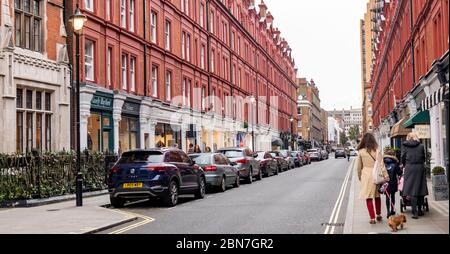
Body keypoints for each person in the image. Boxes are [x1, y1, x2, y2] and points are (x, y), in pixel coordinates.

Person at [356, 133, 388, 224]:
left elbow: (359, 167)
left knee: (368, 197)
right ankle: (378, 214)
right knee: (377, 196)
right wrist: (385, 176)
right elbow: (382, 165)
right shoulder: (377, 151)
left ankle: (372, 218)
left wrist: (359, 176)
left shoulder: (361, 152)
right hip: (376, 175)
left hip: (366, 176)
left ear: (363, 141)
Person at [401, 132, 429, 219]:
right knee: (420, 188)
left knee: (412, 190)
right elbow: (424, 158)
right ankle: (420, 210)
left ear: (408, 138)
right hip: (420, 168)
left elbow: (402, 158)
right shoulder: (421, 146)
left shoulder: (405, 146)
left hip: (410, 168)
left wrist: (405, 165)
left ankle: (414, 212)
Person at [382, 148, 403, 218]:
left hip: (385, 182)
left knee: (387, 197)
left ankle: (388, 211)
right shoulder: (395, 163)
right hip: (393, 182)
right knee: (393, 196)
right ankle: (392, 210)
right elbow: (399, 172)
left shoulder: (383, 162)